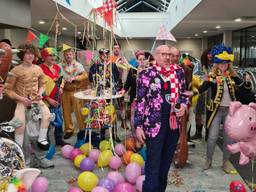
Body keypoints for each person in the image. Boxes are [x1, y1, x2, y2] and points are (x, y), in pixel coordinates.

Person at [135, 45, 189, 192]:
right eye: (163, 54)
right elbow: (140, 101)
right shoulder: (146, 74)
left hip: (173, 126)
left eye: (169, 54)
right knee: (153, 164)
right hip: (153, 126)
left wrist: (183, 105)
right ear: (155, 56)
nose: (167, 57)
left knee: (165, 165)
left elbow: (184, 94)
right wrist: (138, 126)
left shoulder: (178, 72)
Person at [198, 44, 252, 173]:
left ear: (229, 64)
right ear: (216, 63)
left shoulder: (233, 76)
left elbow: (245, 90)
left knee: (229, 138)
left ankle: (226, 162)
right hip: (216, 111)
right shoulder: (212, 76)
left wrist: (248, 82)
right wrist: (197, 86)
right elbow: (201, 89)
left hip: (231, 112)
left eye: (226, 63)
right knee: (212, 137)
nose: (223, 65)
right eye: (221, 63)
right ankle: (208, 160)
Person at [4, 44, 51, 150]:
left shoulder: (38, 69)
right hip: (22, 101)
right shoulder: (15, 70)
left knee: (47, 115)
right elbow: (7, 90)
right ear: (22, 55)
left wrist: (40, 93)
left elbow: (43, 84)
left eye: (32, 53)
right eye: (27, 53)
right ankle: (18, 149)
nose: (30, 56)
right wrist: (22, 99)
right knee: (19, 125)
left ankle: (42, 139)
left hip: (36, 100)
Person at [40, 48, 67, 146]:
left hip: (57, 99)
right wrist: (47, 98)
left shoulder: (57, 67)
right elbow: (37, 87)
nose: (53, 57)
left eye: (54, 55)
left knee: (59, 121)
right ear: (44, 57)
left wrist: (61, 87)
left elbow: (61, 79)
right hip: (45, 102)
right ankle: (45, 143)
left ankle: (59, 140)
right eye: (50, 55)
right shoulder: (40, 69)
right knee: (46, 122)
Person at [60, 48, 88, 139]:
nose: (68, 56)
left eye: (70, 54)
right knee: (66, 111)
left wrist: (75, 78)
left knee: (79, 111)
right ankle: (69, 130)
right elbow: (57, 77)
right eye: (66, 54)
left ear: (73, 55)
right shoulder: (60, 66)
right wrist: (61, 83)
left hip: (76, 91)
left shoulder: (78, 65)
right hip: (65, 91)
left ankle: (83, 129)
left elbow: (85, 75)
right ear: (64, 56)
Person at [191, 48, 212, 140]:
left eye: (212, 54)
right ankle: (198, 132)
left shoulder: (216, 65)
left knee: (210, 113)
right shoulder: (199, 65)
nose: (210, 55)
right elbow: (194, 76)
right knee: (199, 112)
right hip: (201, 91)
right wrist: (204, 78)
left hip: (211, 91)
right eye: (208, 54)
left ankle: (208, 133)